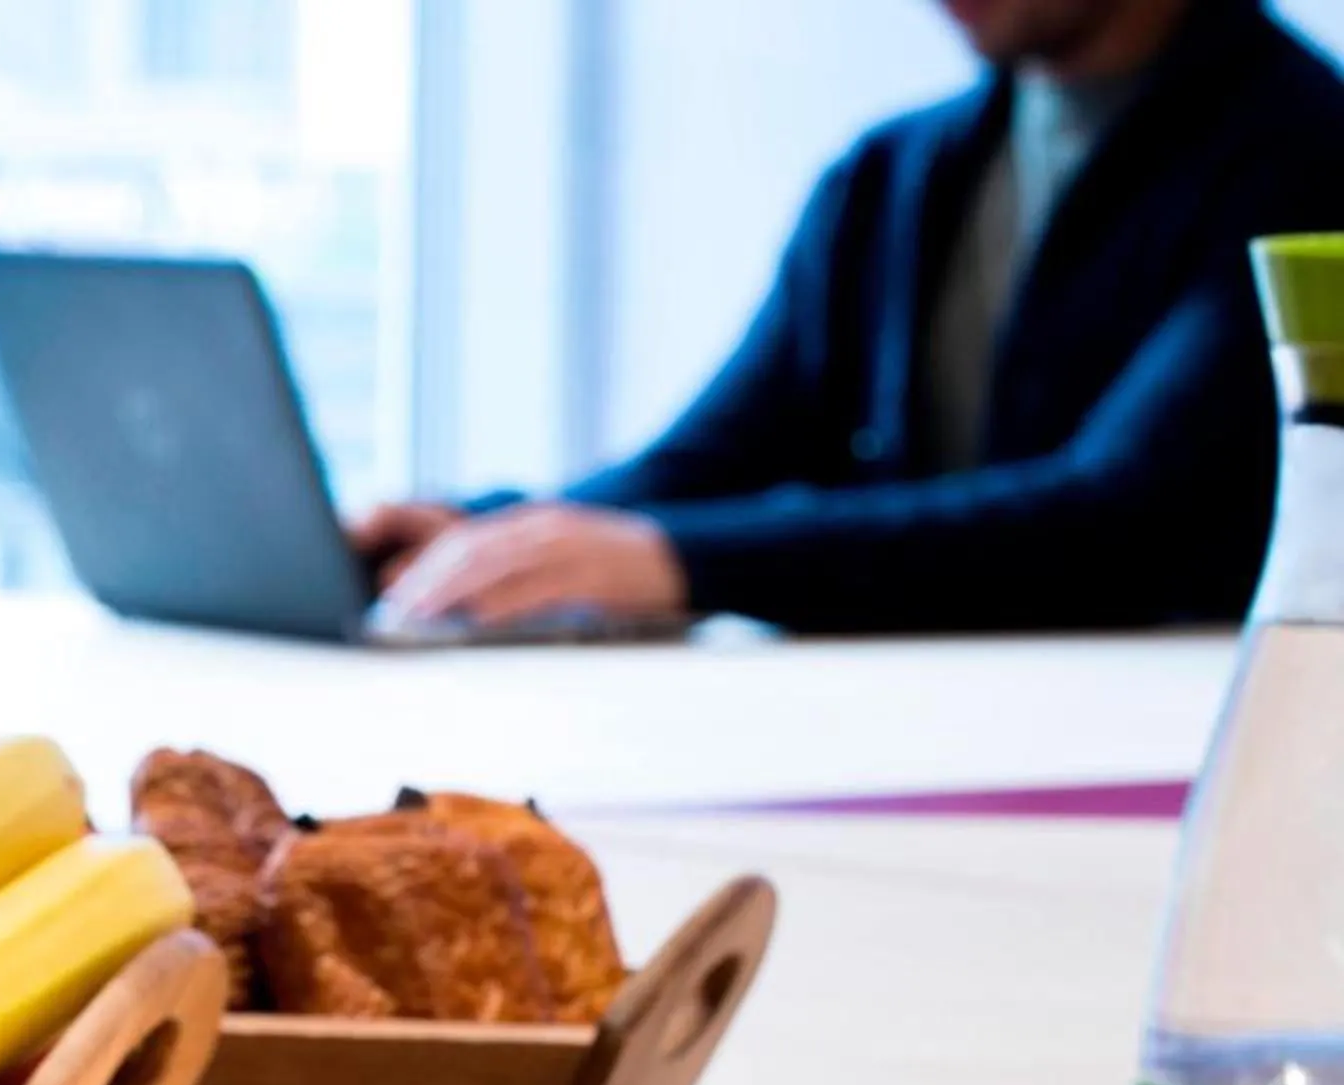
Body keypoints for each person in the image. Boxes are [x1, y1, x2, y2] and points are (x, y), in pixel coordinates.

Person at [360, 0, 1344, 635]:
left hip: (1132, 776)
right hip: (895, 738)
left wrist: (677, 558)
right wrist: (483, 533)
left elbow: (1116, 519)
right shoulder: (897, 176)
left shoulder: (1308, 154)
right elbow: (709, 458)